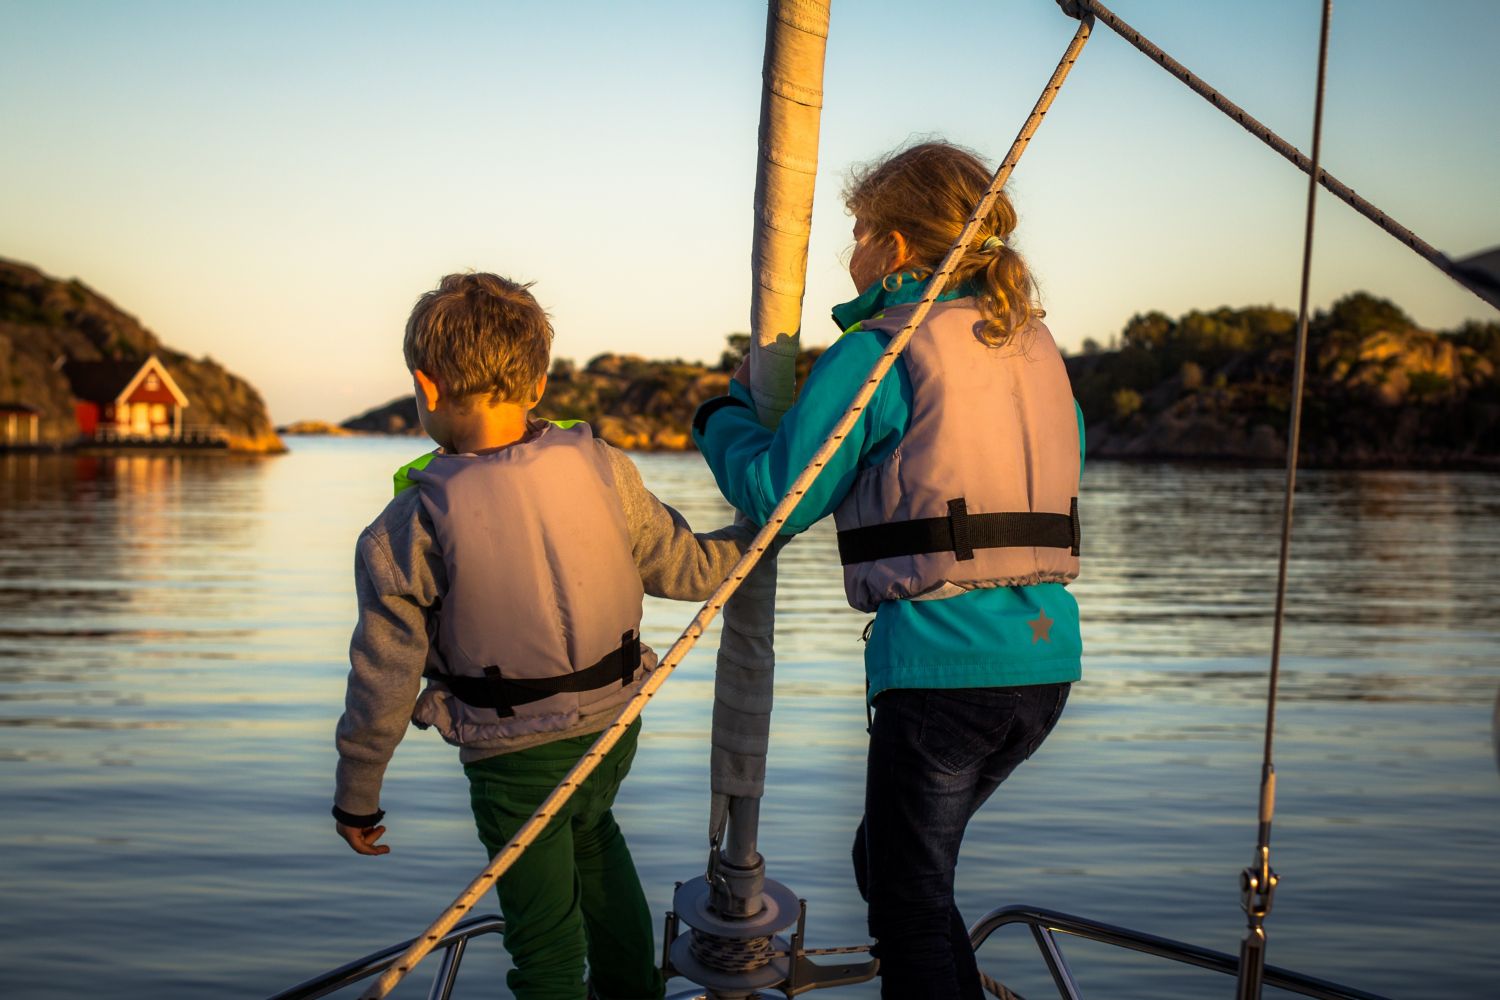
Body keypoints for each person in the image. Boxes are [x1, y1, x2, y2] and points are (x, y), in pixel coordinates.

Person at [692, 142, 1083, 1000]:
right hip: (1044, 669)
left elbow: (779, 497)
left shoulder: (884, 348)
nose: (852, 250)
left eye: (861, 230)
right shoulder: (1032, 344)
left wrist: (720, 416)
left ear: (897, 248)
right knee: (892, 863)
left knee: (906, 906)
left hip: (945, 670)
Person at [332, 272, 750, 1000]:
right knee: (594, 837)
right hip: (611, 728)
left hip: (514, 754)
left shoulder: (406, 529)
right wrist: (755, 538)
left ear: (426, 387)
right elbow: (682, 565)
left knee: (544, 936)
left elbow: (384, 679)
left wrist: (357, 794)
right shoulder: (601, 467)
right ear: (539, 380)